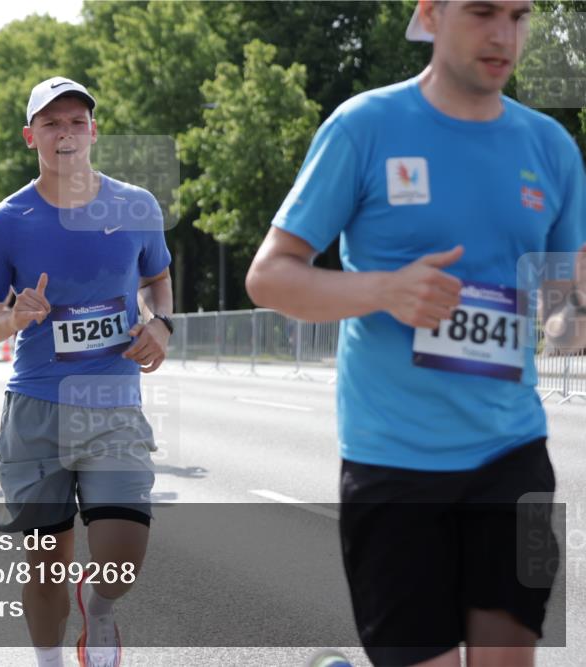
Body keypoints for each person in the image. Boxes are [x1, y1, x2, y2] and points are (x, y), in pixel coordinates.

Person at [246, 2, 585, 666]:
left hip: (514, 455)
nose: (503, 35)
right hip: (393, 464)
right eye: (483, 11)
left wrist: (565, 320)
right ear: (430, 13)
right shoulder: (364, 127)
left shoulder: (552, 147)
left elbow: (561, 311)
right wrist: (383, 289)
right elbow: (269, 277)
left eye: (518, 16)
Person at [0, 76, 174, 667]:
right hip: (37, 409)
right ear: (32, 137)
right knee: (46, 564)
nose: (66, 133)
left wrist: (161, 325)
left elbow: (158, 279)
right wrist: (8, 319)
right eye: (51, 123)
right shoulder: (7, 221)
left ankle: (99, 608)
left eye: (77, 121)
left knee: (124, 558)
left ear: (94, 131)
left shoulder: (136, 206)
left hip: (113, 402)